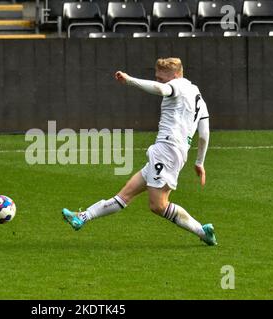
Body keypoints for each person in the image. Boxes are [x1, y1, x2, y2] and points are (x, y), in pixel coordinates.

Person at [62, 57, 217, 246]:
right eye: (157, 78)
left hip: (167, 151)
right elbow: (204, 133)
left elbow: (161, 89)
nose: (159, 82)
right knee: (124, 195)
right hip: (171, 151)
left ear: (176, 75)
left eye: (162, 78)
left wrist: (129, 80)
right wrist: (199, 162)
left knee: (158, 206)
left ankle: (202, 231)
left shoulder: (177, 86)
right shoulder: (196, 94)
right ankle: (82, 217)